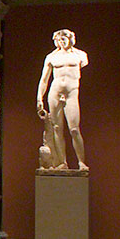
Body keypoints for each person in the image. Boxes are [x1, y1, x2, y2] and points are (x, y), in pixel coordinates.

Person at [35, 29, 89, 171]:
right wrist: (39, 97)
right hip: (55, 92)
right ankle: (62, 162)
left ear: (71, 39)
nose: (61, 42)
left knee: (74, 129)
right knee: (57, 128)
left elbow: (84, 64)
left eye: (63, 39)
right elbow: (44, 79)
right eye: (58, 40)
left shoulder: (80, 55)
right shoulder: (52, 57)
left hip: (71, 92)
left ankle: (81, 162)